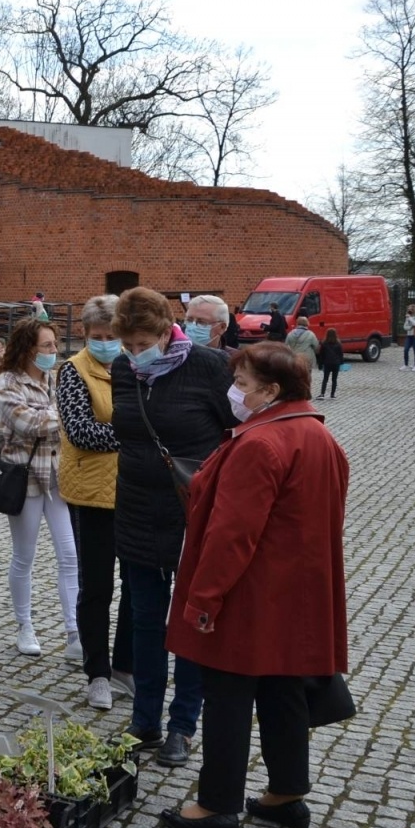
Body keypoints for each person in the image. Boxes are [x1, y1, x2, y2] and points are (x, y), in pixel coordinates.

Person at [158, 343, 349, 828]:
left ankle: (216, 805)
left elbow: (231, 534)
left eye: (243, 385)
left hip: (250, 595)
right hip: (296, 592)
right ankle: (286, 796)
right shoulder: (318, 435)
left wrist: (204, 599)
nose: (234, 393)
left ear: (272, 391)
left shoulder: (260, 444)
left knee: (228, 694)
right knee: (283, 689)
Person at [111, 287, 236, 769]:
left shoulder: (209, 367)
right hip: (137, 507)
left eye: (142, 343)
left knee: (188, 620)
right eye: (127, 344)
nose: (133, 353)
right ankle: (144, 720)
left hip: (193, 511)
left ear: (167, 333)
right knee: (144, 620)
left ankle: (183, 724)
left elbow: (236, 434)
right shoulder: (124, 369)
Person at [57, 295, 134, 711]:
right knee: (97, 587)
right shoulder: (73, 372)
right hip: (90, 493)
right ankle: (97, 672)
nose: (105, 342)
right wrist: (137, 434)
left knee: (136, 587)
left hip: (133, 490)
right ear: (85, 334)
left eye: (112, 336)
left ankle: (125, 665)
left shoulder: (133, 366)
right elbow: (82, 432)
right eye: (97, 336)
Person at [0, 317, 79, 662]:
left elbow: (44, 421)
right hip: (24, 479)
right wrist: (69, 416)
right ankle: (25, 625)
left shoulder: (53, 379)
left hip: (58, 478)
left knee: (71, 555)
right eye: (46, 346)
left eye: (54, 346)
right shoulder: (7, 381)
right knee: (24, 556)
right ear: (28, 348)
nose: (53, 352)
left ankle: (75, 632)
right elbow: (24, 423)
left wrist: (55, 415)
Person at [316, 329, 344, 400]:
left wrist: (320, 364)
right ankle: (332, 394)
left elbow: (321, 355)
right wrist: (341, 363)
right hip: (336, 363)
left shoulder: (324, 344)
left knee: (325, 379)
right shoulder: (338, 344)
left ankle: (322, 394)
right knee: (334, 379)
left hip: (327, 363)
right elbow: (340, 354)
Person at [401, 303, 415, 370]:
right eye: (408, 309)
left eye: (411, 309)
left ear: (414, 310)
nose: (409, 311)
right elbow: (405, 327)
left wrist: (410, 318)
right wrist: (409, 325)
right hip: (409, 335)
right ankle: (406, 364)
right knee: (406, 349)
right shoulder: (408, 316)